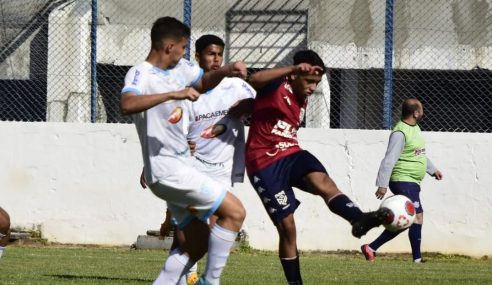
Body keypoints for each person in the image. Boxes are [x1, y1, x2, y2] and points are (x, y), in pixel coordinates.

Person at [245, 50, 390, 284]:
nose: (313, 87)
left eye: (316, 82)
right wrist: (292, 70)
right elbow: (254, 80)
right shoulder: (277, 86)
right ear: (295, 75)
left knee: (324, 182)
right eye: (309, 81)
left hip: (291, 152)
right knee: (288, 227)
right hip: (263, 163)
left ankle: (358, 219)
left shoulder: (302, 96)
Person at [120, 17, 248, 285]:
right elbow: (127, 103)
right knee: (235, 213)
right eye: (182, 47)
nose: (184, 53)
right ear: (169, 46)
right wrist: (171, 95)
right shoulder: (140, 73)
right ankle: (210, 283)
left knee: (196, 244)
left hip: (179, 169)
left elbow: (202, 83)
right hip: (167, 170)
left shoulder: (183, 69)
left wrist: (226, 71)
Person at [361, 98, 443, 263]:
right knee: (417, 217)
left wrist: (432, 170)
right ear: (415, 113)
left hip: (412, 181)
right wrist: (382, 184)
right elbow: (389, 159)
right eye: (422, 109)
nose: (423, 112)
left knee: (407, 219)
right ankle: (417, 259)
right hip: (403, 179)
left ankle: (371, 248)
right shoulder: (400, 132)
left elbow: (418, 153)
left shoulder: (415, 128)